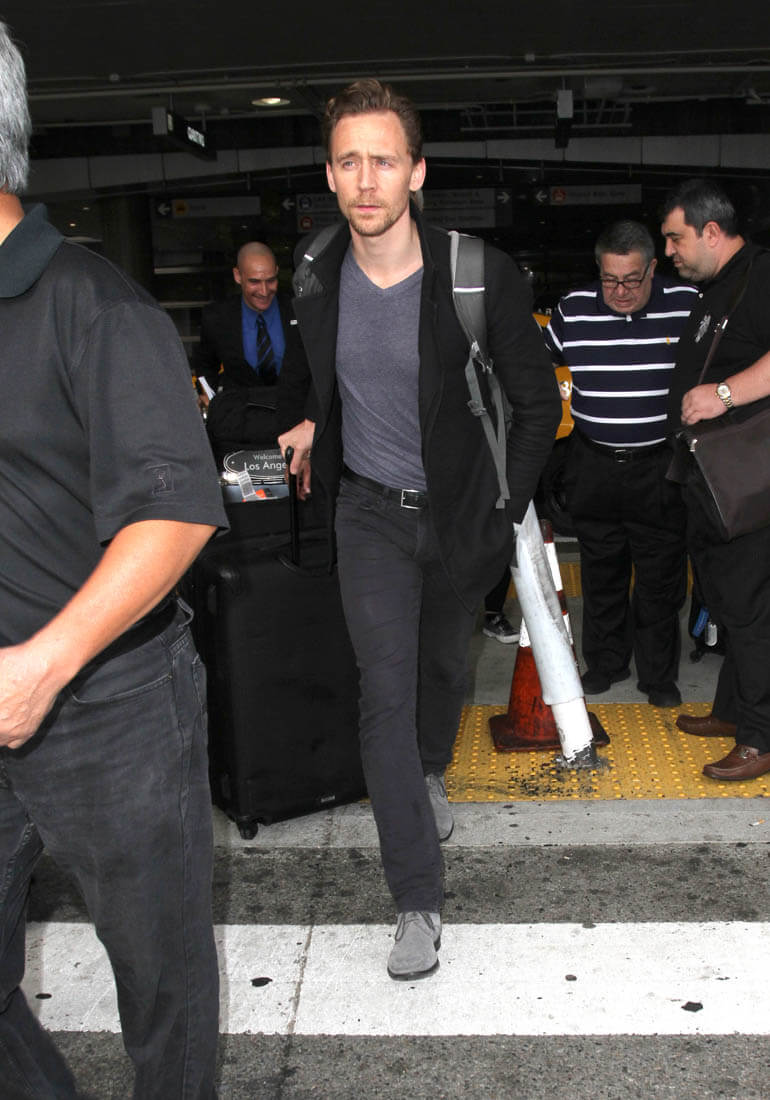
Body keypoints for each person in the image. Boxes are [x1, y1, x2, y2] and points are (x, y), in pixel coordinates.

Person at [277, 78, 560, 980]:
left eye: (384, 161)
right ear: (329, 174)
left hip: (462, 515)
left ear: (417, 172)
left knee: (443, 672)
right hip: (367, 513)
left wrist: (504, 509)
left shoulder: (477, 274)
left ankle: (430, 770)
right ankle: (416, 898)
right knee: (383, 697)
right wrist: (313, 421)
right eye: (349, 162)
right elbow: (316, 377)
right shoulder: (314, 270)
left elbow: (536, 406)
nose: (367, 181)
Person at [0, 21, 226, 1099]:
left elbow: (175, 514)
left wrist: (40, 666)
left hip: (110, 706)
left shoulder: (92, 304)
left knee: (161, 989)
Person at [543, 220, 697, 708]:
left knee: (660, 576)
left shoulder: (686, 304)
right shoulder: (573, 310)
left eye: (632, 279)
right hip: (594, 464)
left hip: (659, 465)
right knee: (600, 569)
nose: (620, 291)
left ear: (652, 269)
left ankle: (658, 676)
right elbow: (528, 362)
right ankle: (606, 664)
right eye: (610, 279)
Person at [661, 178, 770, 781]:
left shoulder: (761, 274)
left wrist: (723, 395)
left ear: (710, 231)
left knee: (752, 611)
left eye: (675, 238)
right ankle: (733, 711)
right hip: (713, 481)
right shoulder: (717, 288)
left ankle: (760, 735)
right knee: (729, 600)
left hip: (748, 485)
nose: (669, 251)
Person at [193, 241, 291, 458]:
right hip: (241, 423)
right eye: (254, 282)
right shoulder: (217, 317)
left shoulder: (298, 310)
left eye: (270, 280)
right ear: (238, 276)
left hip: (292, 420)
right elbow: (205, 364)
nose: (264, 291)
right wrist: (208, 397)